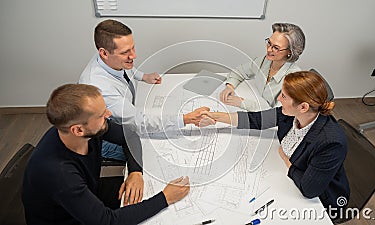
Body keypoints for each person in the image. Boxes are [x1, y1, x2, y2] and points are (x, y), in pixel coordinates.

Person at [22, 84, 190, 225]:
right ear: (78, 129)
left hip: (88, 193)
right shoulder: (60, 173)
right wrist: (165, 198)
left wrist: (135, 172)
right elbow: (106, 222)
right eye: (102, 115)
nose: (108, 115)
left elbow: (129, 135)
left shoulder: (82, 132)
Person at [204, 71, 350, 219]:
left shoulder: (331, 142)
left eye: (284, 96)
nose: (279, 99)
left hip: (323, 202)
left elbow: (309, 189)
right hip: (288, 178)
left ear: (303, 107)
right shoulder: (290, 113)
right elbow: (256, 120)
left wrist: (286, 160)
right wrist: (215, 117)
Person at [79, 19, 209, 162]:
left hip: (128, 119)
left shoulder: (109, 60)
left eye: (133, 48)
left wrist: (143, 76)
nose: (134, 56)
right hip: (109, 140)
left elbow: (125, 67)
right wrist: (185, 119)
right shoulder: (101, 89)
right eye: (125, 52)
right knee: (157, 156)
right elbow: (140, 123)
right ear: (104, 53)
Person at [220, 23, 305, 111]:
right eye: (269, 43)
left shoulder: (294, 80)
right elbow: (240, 71)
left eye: (276, 48)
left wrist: (242, 103)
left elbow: (278, 113)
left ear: (290, 52)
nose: (268, 49)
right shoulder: (265, 61)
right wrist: (230, 86)